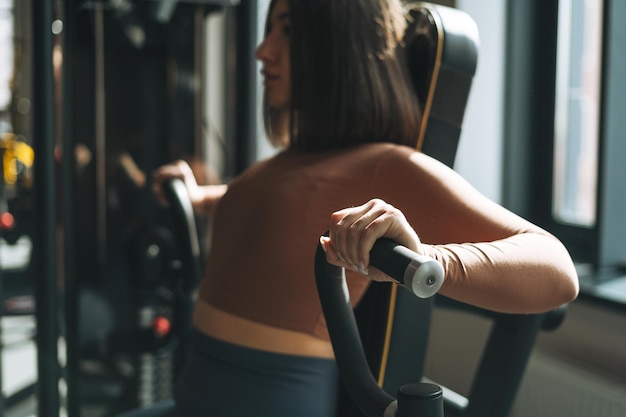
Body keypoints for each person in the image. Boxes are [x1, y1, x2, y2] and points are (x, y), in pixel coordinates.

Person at [140, 0, 580, 416]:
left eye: (288, 31)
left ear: (343, 47)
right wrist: (197, 194)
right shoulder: (288, 162)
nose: (262, 50)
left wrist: (430, 261)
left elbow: (556, 268)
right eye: (268, 29)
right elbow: (277, 209)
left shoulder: (386, 165)